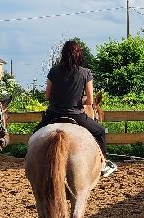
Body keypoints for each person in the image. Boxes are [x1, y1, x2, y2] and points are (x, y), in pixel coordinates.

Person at [37, 39, 116, 177]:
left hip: (53, 114)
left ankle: (30, 162)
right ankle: (103, 164)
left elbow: (47, 96)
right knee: (101, 132)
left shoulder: (53, 71)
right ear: (79, 54)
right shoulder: (86, 73)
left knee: (35, 134)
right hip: (76, 115)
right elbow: (90, 100)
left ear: (63, 54)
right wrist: (78, 99)